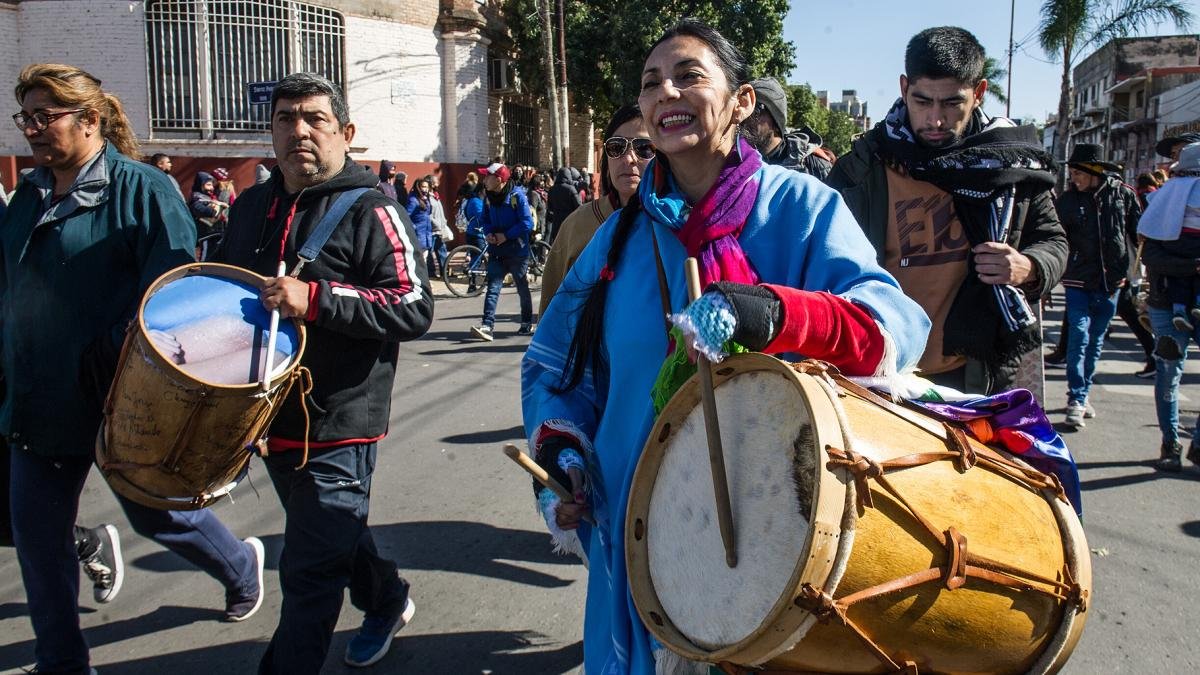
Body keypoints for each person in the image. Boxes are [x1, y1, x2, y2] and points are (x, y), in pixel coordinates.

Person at [522, 20, 929, 674]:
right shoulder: (618, 237)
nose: (665, 93)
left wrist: (773, 312)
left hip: (784, 526)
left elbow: (893, 326)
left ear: (741, 102)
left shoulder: (799, 206)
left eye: (688, 75)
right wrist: (564, 459)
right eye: (652, 82)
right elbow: (554, 364)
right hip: (639, 521)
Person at [1, 63, 265, 675]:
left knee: (158, 514)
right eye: (26, 118)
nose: (33, 131)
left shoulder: (144, 190)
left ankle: (239, 565)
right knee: (39, 542)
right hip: (38, 399)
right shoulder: (30, 193)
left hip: (123, 399)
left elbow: (175, 300)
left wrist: (112, 349)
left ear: (90, 120)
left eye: (46, 116)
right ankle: (62, 662)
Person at [212, 71, 434, 672]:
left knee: (308, 573)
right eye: (287, 119)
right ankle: (386, 598)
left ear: (346, 133)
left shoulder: (372, 209)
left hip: (340, 422)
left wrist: (315, 299)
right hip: (265, 414)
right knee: (328, 536)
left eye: (316, 119)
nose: (300, 131)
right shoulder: (252, 206)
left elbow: (414, 306)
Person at [827, 26, 1066, 395]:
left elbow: (1052, 241)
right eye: (922, 102)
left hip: (973, 373)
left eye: (952, 103)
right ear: (904, 88)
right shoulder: (860, 170)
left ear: (980, 93)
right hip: (877, 372)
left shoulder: (1011, 166)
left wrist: (1029, 267)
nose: (935, 120)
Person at [1054, 144, 1141, 428]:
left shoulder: (1124, 195)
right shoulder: (1066, 201)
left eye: (1078, 172)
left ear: (1094, 171)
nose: (1073, 177)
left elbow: (1138, 234)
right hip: (1077, 278)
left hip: (1111, 281)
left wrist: (1134, 271)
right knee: (1078, 336)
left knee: (1095, 341)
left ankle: (1083, 393)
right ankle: (1076, 398)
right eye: (1072, 172)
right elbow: (1054, 240)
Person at [539, 103, 653, 315]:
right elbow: (551, 312)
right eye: (617, 147)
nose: (629, 158)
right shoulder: (578, 224)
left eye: (644, 148)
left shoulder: (678, 223)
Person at [1140, 143, 1200, 470]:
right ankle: (1170, 442)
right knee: (1168, 372)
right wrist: (1192, 267)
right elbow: (1152, 257)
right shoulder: (1167, 205)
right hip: (1165, 303)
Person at [469, 162, 534, 341]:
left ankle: (526, 322)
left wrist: (506, 235)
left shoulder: (517, 196)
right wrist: (489, 233)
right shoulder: (488, 197)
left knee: (522, 287)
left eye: (487, 176)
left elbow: (528, 223)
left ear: (499, 180)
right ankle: (487, 326)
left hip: (516, 251)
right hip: (496, 250)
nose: (484, 180)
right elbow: (484, 219)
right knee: (493, 288)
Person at [746, 76, 835, 180]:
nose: (747, 117)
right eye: (744, 109)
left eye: (756, 110)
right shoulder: (735, 164)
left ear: (776, 118)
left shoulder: (814, 165)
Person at [189, 170, 228, 259]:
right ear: (201, 185)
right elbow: (198, 208)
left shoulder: (208, 198)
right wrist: (213, 211)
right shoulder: (197, 198)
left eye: (212, 185)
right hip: (205, 236)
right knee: (206, 259)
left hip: (215, 234)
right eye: (208, 185)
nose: (212, 188)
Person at [406, 175, 436, 277]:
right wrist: (414, 228)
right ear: (418, 187)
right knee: (419, 260)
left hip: (426, 234)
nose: (426, 189)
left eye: (427, 187)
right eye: (423, 186)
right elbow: (407, 216)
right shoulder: (413, 200)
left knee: (424, 259)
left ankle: (423, 279)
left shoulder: (425, 199)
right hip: (418, 234)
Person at [547, 166, 582, 244]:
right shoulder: (571, 189)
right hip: (569, 220)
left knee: (558, 243)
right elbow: (579, 206)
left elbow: (550, 206)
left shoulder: (552, 189)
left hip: (556, 221)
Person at [426, 173, 451, 276]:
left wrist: (444, 222)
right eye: (436, 181)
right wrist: (437, 224)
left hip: (440, 230)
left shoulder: (436, 196)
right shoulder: (427, 197)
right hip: (432, 230)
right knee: (429, 253)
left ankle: (444, 272)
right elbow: (429, 215)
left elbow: (440, 212)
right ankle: (431, 272)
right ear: (431, 183)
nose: (438, 183)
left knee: (442, 251)